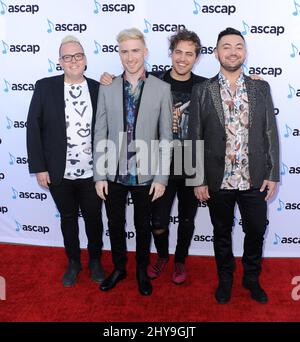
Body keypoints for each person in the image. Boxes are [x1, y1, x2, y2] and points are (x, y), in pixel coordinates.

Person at [100, 29, 207, 285]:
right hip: (158, 160)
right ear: (170, 54)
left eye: (189, 53)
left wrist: (253, 81)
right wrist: (107, 79)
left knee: (187, 217)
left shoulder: (205, 86)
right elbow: (130, 88)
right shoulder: (157, 81)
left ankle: (179, 259)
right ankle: (161, 256)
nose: (183, 58)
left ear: (196, 57)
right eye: (178, 52)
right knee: (157, 220)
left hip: (191, 158)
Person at [189, 27, 279, 303]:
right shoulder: (202, 90)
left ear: (245, 52)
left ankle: (251, 278)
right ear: (216, 53)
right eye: (226, 46)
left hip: (253, 178)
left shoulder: (260, 87)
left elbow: (270, 132)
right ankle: (225, 279)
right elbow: (194, 136)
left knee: (255, 229)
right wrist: (197, 179)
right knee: (221, 232)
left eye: (238, 46)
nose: (232, 51)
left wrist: (272, 173)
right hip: (218, 179)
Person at [93, 28, 172, 296]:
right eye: (124, 51)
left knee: (142, 226)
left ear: (145, 52)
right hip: (114, 173)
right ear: (119, 54)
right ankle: (119, 268)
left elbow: (166, 137)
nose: (130, 57)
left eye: (135, 50)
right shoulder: (108, 87)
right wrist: (99, 175)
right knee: (114, 224)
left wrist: (162, 177)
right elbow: (100, 132)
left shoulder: (162, 89)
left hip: (146, 174)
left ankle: (141, 270)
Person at [27, 35, 104, 287]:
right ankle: (73, 262)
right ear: (60, 61)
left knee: (94, 219)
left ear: (85, 59)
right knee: (68, 219)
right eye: (67, 57)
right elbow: (33, 128)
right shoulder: (44, 87)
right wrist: (39, 167)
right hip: (59, 172)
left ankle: (94, 261)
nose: (73, 61)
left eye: (78, 55)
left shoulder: (98, 88)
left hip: (93, 173)